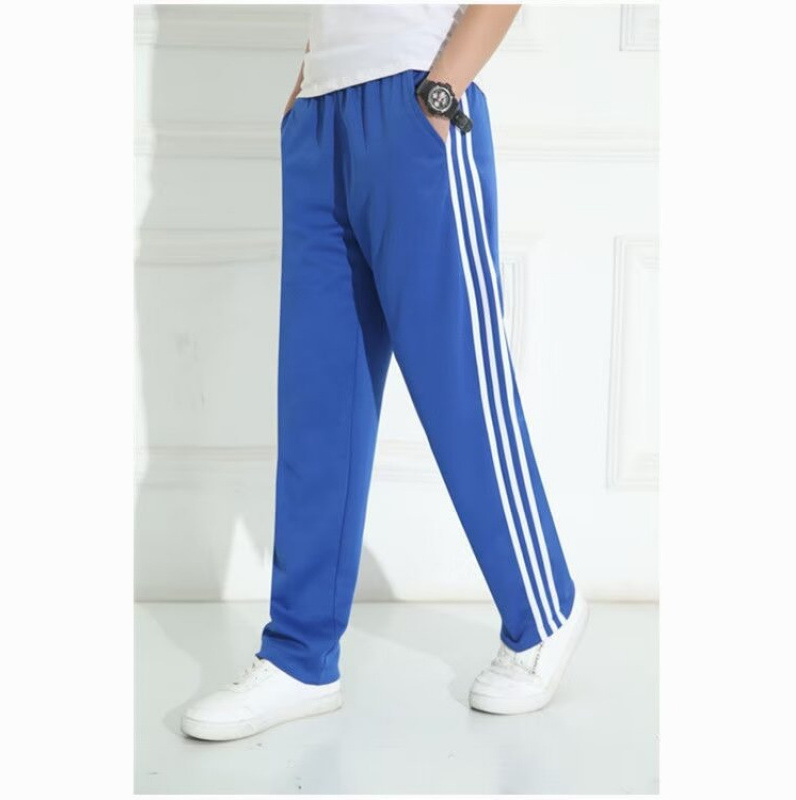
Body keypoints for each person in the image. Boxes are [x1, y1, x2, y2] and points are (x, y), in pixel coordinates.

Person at [181, 3, 588, 743]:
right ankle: (300, 655)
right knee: (318, 403)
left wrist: (441, 92)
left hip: (415, 99)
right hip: (321, 115)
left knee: (460, 385)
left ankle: (544, 611)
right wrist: (306, 85)